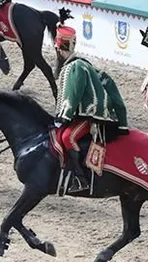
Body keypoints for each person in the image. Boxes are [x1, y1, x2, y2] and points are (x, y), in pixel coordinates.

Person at [53, 26, 128, 188]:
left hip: (90, 117)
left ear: (58, 49)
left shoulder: (74, 67)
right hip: (83, 115)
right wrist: (123, 122)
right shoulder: (86, 65)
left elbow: (73, 96)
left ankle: (81, 177)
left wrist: (63, 117)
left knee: (68, 137)